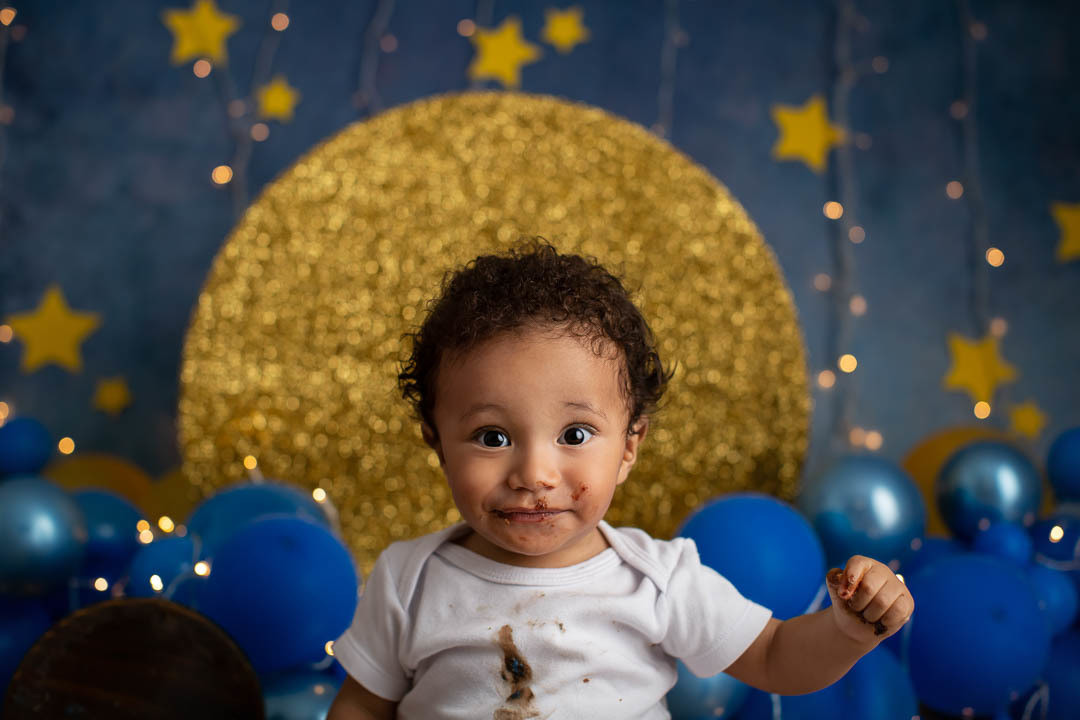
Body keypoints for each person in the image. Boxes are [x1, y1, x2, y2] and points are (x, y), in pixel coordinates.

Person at [327, 238, 913, 719]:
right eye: (492, 438)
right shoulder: (409, 580)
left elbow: (775, 656)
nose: (534, 474)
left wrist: (848, 630)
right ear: (436, 442)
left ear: (630, 446)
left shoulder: (658, 581)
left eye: (575, 434)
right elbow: (362, 706)